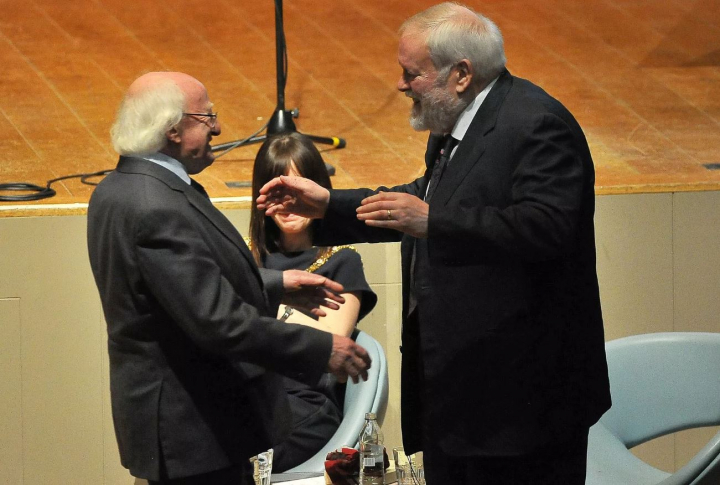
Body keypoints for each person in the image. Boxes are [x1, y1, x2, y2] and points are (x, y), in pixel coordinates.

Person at [257, 4, 611, 484]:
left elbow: (548, 228)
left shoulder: (538, 124)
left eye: (412, 73)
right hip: (463, 401)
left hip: (523, 408)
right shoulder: (457, 124)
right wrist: (327, 206)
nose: (401, 85)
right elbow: (423, 201)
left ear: (461, 74)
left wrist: (435, 221)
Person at [87, 72, 371, 485]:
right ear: (172, 128)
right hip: (195, 427)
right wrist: (319, 347)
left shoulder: (118, 189)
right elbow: (216, 322)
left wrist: (277, 285)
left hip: (191, 423)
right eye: (207, 117)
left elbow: (180, 290)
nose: (218, 128)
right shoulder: (156, 205)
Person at [248, 132, 378, 472]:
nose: (288, 205)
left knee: (235, 459)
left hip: (304, 406)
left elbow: (320, 349)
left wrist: (249, 324)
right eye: (278, 193)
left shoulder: (341, 261)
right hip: (253, 398)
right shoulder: (247, 258)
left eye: (297, 191)